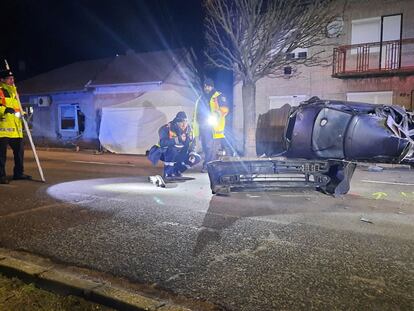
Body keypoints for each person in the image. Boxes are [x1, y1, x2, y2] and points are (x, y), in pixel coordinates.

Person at [0, 69, 32, 184]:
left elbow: (17, 108)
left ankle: (18, 173)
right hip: (2, 129)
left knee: (19, 153)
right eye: (9, 78)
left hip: (16, 130)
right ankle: (1, 176)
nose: (12, 80)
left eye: (13, 78)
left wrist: (23, 114)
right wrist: (4, 109)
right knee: (1, 155)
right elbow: (4, 108)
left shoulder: (14, 93)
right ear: (2, 80)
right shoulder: (0, 91)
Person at [148, 111, 201, 179]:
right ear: (176, 122)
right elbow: (162, 143)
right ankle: (168, 173)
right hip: (164, 153)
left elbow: (193, 144)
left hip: (181, 153)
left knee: (197, 158)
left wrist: (192, 154)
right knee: (172, 150)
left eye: (185, 122)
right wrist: (177, 140)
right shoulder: (167, 128)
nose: (184, 125)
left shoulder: (190, 131)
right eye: (181, 122)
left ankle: (177, 171)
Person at [194, 78, 229, 172]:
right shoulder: (201, 98)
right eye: (205, 86)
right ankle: (210, 165)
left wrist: (217, 114)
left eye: (208, 86)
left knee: (211, 147)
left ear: (212, 86)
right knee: (205, 147)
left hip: (214, 126)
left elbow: (225, 109)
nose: (206, 88)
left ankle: (208, 166)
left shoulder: (219, 96)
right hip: (203, 126)